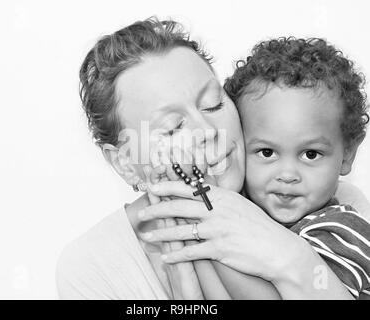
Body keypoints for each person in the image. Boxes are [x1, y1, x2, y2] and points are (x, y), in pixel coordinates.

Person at [56, 18, 370, 299]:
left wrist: (294, 259)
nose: (207, 131)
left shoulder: (325, 199)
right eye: (173, 127)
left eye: (213, 105)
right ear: (125, 161)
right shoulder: (91, 265)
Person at [139, 37, 370, 299]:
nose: (287, 175)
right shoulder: (246, 209)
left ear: (347, 154)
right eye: (267, 152)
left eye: (310, 154)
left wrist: (203, 221)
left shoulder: (343, 231)